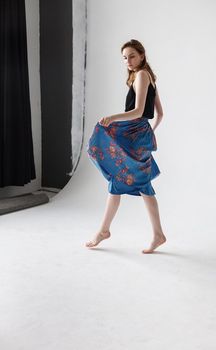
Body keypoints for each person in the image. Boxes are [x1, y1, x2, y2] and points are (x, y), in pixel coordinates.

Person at [85, 39, 166, 253]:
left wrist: (112, 118)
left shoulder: (141, 75)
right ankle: (157, 234)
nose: (128, 61)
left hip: (134, 133)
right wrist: (149, 133)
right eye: (124, 57)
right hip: (139, 134)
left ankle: (104, 230)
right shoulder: (150, 77)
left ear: (141, 55)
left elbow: (138, 111)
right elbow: (160, 114)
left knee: (121, 178)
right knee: (139, 183)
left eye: (131, 56)